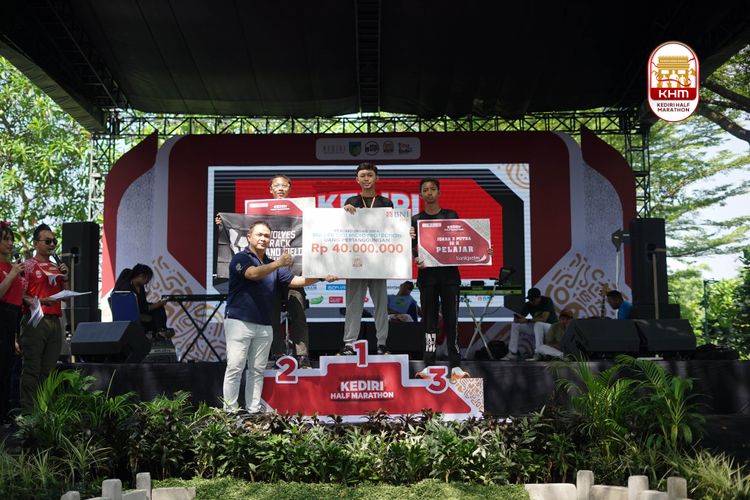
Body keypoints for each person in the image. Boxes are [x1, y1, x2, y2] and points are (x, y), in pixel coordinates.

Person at [222, 221, 335, 414]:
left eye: (266, 236)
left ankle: (253, 410)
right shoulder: (241, 258)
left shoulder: (271, 263)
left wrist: (321, 277)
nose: (263, 238)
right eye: (259, 234)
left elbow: (295, 281)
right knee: (235, 367)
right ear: (249, 237)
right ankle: (229, 411)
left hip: (265, 324)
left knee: (257, 370)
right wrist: (278, 263)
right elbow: (252, 274)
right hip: (239, 321)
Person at [411, 178, 475, 380]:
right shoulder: (415, 220)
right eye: (425, 190)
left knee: (451, 321)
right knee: (429, 323)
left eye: (433, 189)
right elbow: (412, 248)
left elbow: (463, 240)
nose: (429, 192)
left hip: (450, 278)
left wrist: (482, 250)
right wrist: (415, 255)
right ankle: (428, 365)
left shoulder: (450, 215)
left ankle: (455, 366)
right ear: (421, 195)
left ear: (439, 193)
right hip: (427, 278)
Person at [340, 162, 393, 356]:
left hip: (378, 262)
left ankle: (382, 343)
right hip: (355, 262)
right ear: (357, 179)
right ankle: (349, 344)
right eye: (362, 176)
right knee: (353, 305)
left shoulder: (386, 203)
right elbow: (343, 229)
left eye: (370, 175)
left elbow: (392, 229)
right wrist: (345, 213)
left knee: (381, 305)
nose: (366, 179)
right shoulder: (351, 201)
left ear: (377, 178)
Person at [19, 224, 69, 413]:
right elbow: (21, 295)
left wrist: (65, 277)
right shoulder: (28, 265)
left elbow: (65, 296)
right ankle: (28, 413)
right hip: (35, 320)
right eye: (47, 241)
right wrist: (41, 301)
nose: (52, 245)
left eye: (54, 241)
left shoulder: (56, 266)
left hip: (55, 320)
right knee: (32, 368)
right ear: (35, 243)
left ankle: (43, 413)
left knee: (48, 370)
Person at [0, 222, 24, 422]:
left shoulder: (12, 267)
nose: (10, 243)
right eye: (5, 239)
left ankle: (5, 411)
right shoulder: (10, 270)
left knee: (8, 366)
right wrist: (13, 274)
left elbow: (18, 297)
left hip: (14, 318)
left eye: (11, 239)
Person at [501, 287, 558, 361]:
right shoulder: (528, 304)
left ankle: (538, 353)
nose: (531, 302)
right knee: (515, 325)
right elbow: (520, 317)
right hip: (538, 328)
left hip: (551, 328)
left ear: (539, 297)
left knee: (538, 324)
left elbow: (544, 319)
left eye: (533, 300)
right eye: (530, 299)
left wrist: (527, 320)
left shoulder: (546, 301)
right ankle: (513, 353)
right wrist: (517, 319)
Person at [114, 264, 169, 334]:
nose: (148, 281)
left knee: (159, 309)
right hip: (130, 313)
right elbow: (138, 307)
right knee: (158, 309)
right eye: (147, 278)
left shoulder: (141, 287)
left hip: (140, 310)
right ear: (141, 275)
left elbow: (143, 304)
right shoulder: (126, 287)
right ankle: (160, 331)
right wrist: (157, 304)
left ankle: (161, 330)